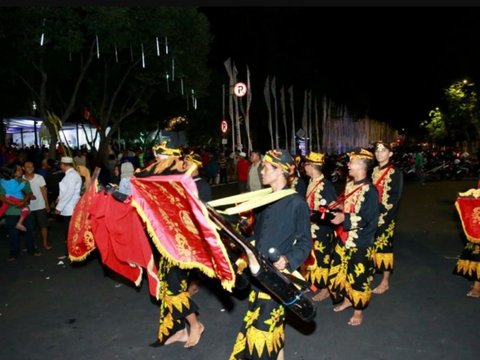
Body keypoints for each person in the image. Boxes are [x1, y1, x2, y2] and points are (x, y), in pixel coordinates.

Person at [229, 149, 311, 360]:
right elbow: (260, 234)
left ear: (280, 171)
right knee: (270, 328)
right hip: (259, 276)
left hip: (277, 280)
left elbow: (305, 243)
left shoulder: (296, 203)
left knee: (260, 336)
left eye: (266, 167)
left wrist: (289, 259)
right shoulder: (264, 198)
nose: (261, 171)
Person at [149, 145, 205, 349]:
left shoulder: (181, 181)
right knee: (167, 289)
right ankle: (180, 330)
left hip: (179, 246)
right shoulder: (162, 179)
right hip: (164, 243)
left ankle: (195, 325)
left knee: (175, 289)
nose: (157, 158)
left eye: (161, 155)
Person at [328, 148, 379, 326]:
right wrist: (337, 208)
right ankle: (348, 300)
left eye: (351, 162)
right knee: (341, 272)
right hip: (344, 238)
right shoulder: (350, 184)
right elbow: (349, 206)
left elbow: (366, 218)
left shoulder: (370, 191)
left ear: (361, 166)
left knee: (358, 277)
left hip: (360, 242)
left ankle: (358, 311)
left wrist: (345, 218)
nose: (348, 165)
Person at [300, 151, 337, 302]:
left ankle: (325, 289)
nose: (304, 167)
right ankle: (315, 282)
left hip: (322, 229)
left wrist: (315, 214)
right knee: (313, 257)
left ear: (312, 166)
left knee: (323, 259)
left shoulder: (325, 186)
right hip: (311, 228)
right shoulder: (311, 182)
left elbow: (333, 210)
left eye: (306, 164)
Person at [371, 141, 404, 294]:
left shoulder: (394, 172)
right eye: (377, 150)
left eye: (383, 151)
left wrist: (381, 214)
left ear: (390, 154)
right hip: (371, 215)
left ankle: (385, 281)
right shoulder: (374, 170)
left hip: (386, 216)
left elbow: (393, 198)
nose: (379, 153)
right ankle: (370, 272)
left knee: (384, 247)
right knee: (370, 245)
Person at [0, 163, 41, 260]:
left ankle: (31, 250)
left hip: (24, 211)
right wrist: (16, 204)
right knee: (13, 234)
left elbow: (29, 193)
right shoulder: (3, 182)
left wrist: (24, 201)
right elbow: (1, 197)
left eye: (19, 169)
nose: (20, 171)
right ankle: (14, 253)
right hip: (11, 212)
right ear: (12, 172)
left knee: (30, 232)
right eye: (18, 169)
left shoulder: (24, 181)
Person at [55, 156, 82, 260]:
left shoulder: (71, 176)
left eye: (61, 164)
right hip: (70, 206)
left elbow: (69, 193)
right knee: (70, 232)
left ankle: (71, 254)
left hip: (70, 208)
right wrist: (59, 198)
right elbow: (66, 191)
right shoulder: (71, 174)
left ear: (63, 165)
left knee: (70, 233)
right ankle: (71, 253)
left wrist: (59, 207)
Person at [23, 161, 52, 250]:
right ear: (23, 168)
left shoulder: (39, 177)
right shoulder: (22, 178)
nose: (30, 168)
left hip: (40, 205)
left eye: (32, 166)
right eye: (27, 166)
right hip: (28, 207)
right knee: (30, 227)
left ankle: (45, 243)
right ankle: (32, 244)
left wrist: (47, 204)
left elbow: (44, 191)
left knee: (43, 226)